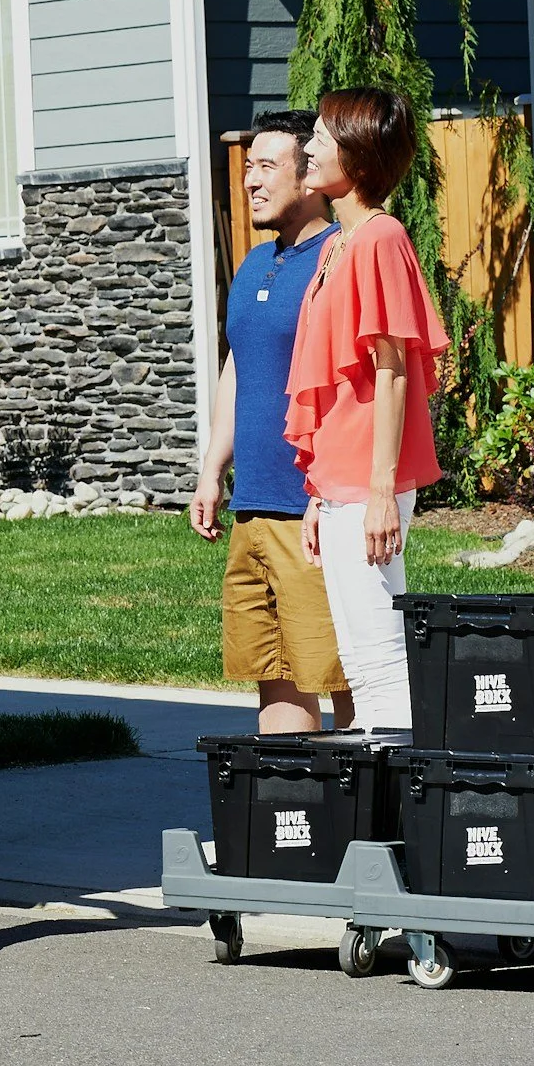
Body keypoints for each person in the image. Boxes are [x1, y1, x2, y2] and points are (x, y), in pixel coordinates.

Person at [286, 87, 449, 735]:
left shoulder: (381, 237)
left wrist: (382, 491)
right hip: (342, 480)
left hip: (372, 480)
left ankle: (398, 807)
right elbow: (334, 382)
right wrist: (318, 493)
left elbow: (392, 367)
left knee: (380, 652)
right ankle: (372, 807)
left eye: (322, 138)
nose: (308, 147)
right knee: (356, 654)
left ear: (354, 158)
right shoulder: (335, 247)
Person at [191, 110, 350, 732]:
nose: (251, 181)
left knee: (342, 673)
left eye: (267, 167)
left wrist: (325, 491)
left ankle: (365, 816)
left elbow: (354, 386)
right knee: (275, 670)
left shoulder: (338, 259)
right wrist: (213, 466)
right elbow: (240, 365)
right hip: (253, 506)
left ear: (309, 175)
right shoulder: (257, 263)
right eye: (248, 167)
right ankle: (297, 813)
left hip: (313, 510)